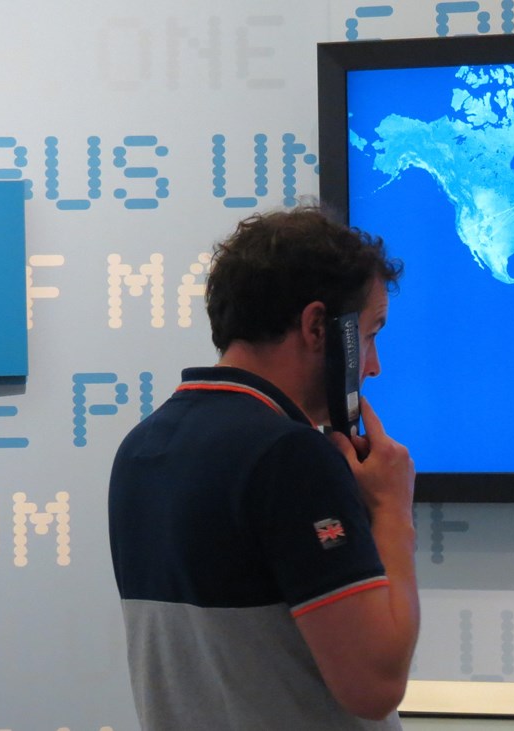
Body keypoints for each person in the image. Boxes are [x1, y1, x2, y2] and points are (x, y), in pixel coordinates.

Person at [108, 206, 420, 729]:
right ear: (318, 327)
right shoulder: (290, 456)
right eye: (369, 335)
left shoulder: (141, 448)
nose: (373, 366)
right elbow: (375, 685)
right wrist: (393, 510)